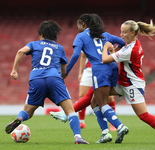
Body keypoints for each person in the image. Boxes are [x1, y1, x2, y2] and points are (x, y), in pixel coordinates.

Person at [5, 20, 89, 144]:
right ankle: (77, 137)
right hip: (54, 78)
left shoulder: (34, 44)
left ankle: (19, 118)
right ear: (55, 36)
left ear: (42, 35)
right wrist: (60, 77)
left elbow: (20, 51)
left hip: (36, 78)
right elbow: (64, 72)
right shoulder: (59, 48)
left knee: (28, 110)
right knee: (70, 110)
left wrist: (14, 71)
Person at [101, 20, 155, 144]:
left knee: (143, 115)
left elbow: (105, 59)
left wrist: (106, 47)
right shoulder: (132, 44)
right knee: (96, 95)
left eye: (124, 32)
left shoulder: (129, 50)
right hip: (122, 82)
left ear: (133, 33)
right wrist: (115, 51)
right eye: (121, 31)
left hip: (133, 85)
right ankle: (115, 128)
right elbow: (120, 54)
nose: (121, 35)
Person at [50, 13, 129, 144]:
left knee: (102, 102)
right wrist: (115, 52)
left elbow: (76, 55)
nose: (77, 29)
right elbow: (124, 43)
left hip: (99, 71)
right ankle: (105, 133)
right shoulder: (105, 35)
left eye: (77, 26)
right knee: (93, 102)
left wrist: (66, 72)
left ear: (83, 24)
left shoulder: (80, 36)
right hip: (113, 68)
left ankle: (120, 126)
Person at [78, 53, 116, 131]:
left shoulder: (106, 40)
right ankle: (81, 122)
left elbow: (112, 54)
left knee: (109, 97)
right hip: (89, 70)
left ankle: (113, 122)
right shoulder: (85, 40)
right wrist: (80, 72)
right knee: (82, 95)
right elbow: (83, 56)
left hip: (103, 68)